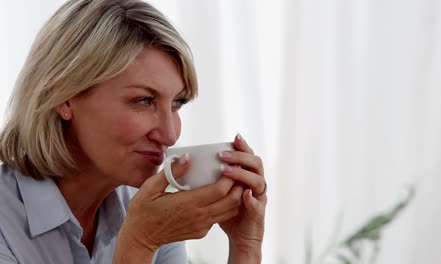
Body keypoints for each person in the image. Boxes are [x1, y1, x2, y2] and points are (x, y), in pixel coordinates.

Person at [0, 0, 267, 263]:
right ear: (64, 97)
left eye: (177, 103)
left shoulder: (150, 211)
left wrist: (245, 246)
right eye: (144, 101)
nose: (170, 135)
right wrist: (139, 245)